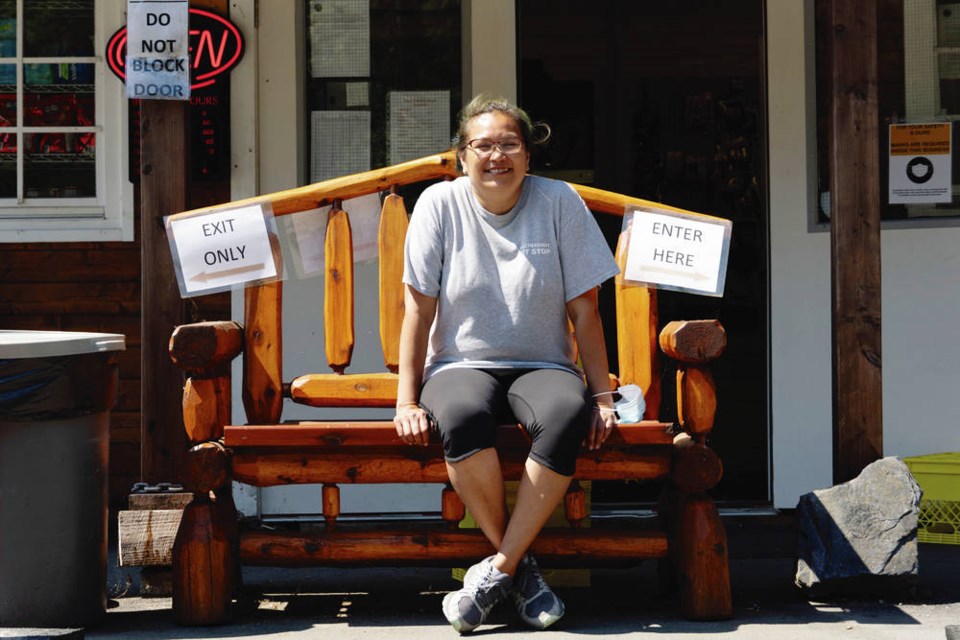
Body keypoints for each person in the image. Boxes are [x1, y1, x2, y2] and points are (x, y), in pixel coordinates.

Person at [393, 95, 620, 633]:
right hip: (459, 363)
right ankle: (519, 572)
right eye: (483, 145)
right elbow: (417, 310)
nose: (497, 156)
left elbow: (585, 313)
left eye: (510, 144)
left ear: (528, 154)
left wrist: (603, 395)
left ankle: (497, 569)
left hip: (543, 361)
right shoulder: (438, 205)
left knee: (567, 414)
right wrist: (406, 399)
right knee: (460, 415)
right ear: (462, 156)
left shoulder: (560, 201)